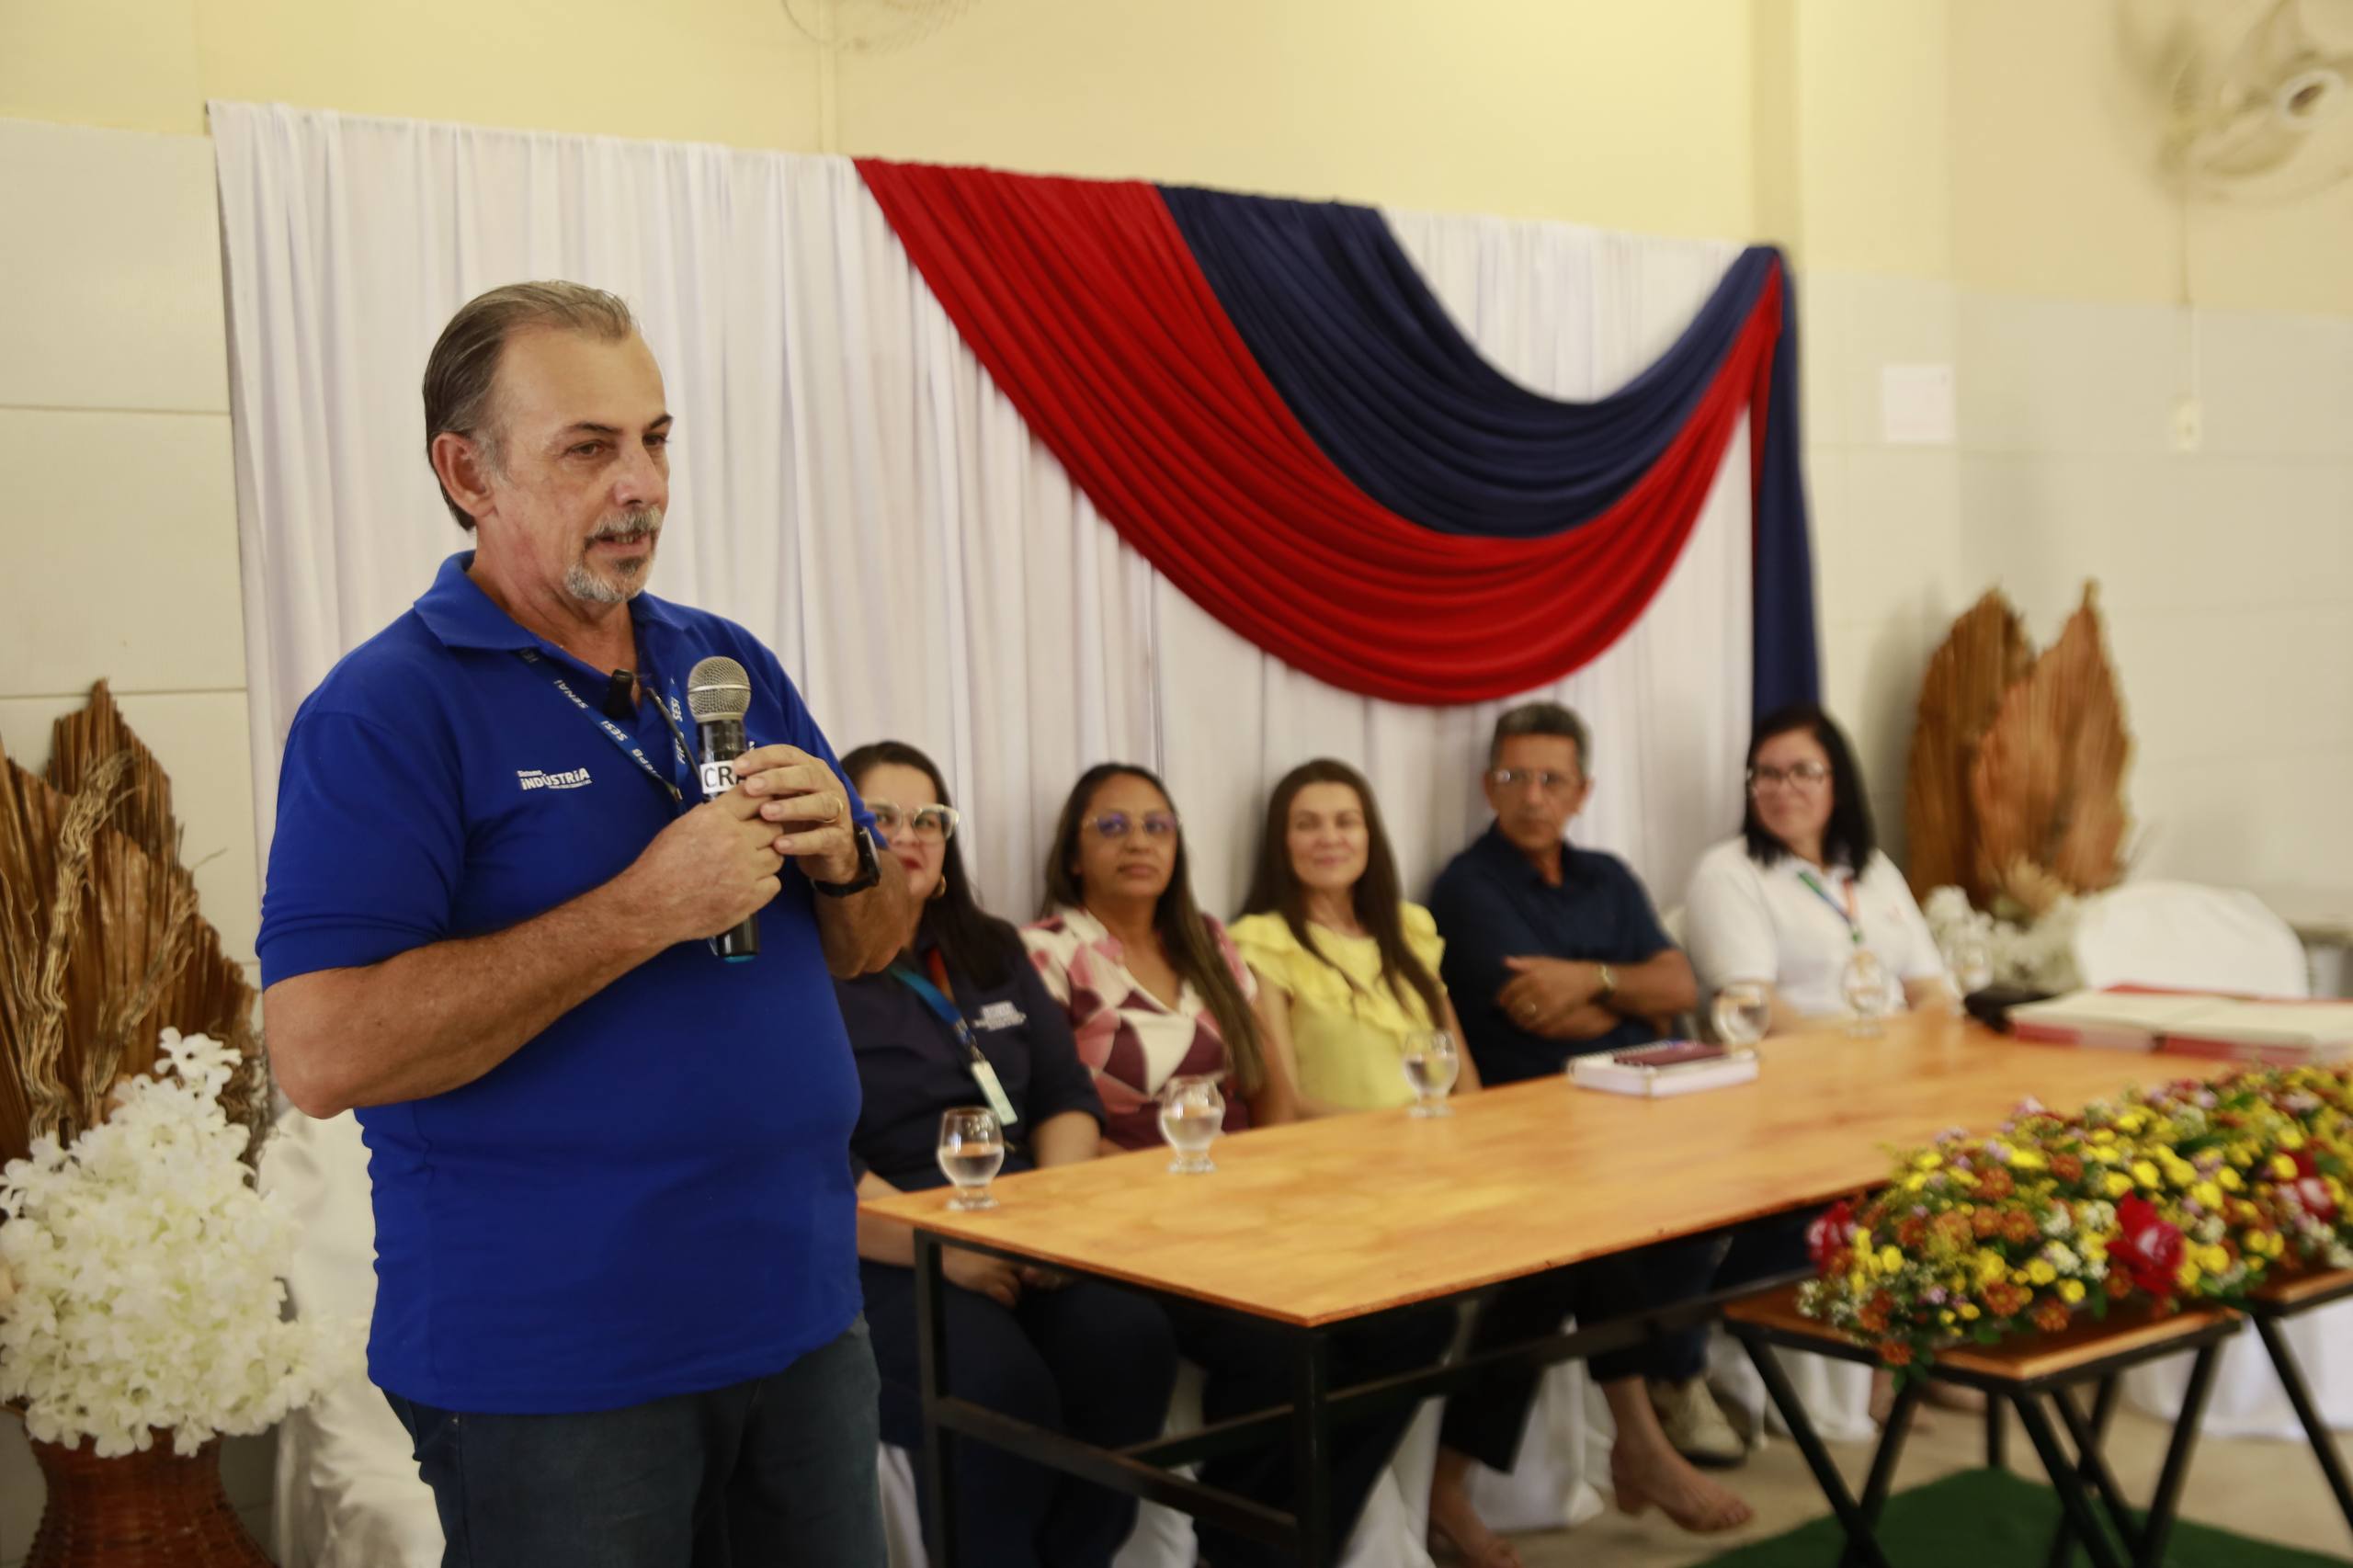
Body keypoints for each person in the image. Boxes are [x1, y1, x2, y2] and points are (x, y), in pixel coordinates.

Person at [258, 281, 907, 1568]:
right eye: (589, 448)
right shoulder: (383, 711)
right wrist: (640, 909)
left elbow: (870, 944)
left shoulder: (723, 661)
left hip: (800, 1319)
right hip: (558, 1371)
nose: (642, 486)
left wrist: (847, 855)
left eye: (655, 439)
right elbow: (322, 1052)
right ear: (468, 472)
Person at [1025, 763, 1444, 1568]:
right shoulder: (1046, 952)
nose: (1139, 842)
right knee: (1270, 1345)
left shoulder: (1210, 941)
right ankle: (1247, 1547)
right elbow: (1054, 1109)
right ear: (1074, 855)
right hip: (1133, 1210)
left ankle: (1294, 1538)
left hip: (1246, 1197)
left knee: (1414, 1318)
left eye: (1156, 825)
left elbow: (1270, 1093)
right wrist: (1161, 1188)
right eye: (1112, 826)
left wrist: (1275, 1194)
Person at [1422, 704, 1758, 1566]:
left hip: (1638, 1118)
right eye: (1514, 777)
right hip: (1527, 1128)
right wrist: (1625, 996)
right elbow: (1539, 1012)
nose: (1532, 797)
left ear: (1583, 791)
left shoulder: (1607, 875)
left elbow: (1678, 985)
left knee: (1731, 1195)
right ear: (1488, 785)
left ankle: (1667, 1394)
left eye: (1551, 780)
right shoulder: (1469, 885)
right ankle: (1640, 1437)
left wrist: (1593, 981)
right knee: (1572, 1248)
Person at [837, 742, 1177, 1568]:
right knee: (998, 1390)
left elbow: (1065, 1097)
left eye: (928, 819)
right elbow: (815, 1163)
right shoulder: (804, 968)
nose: (908, 835)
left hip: (1021, 1218)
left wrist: (1044, 1224)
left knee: (1130, 1341)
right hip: (887, 1241)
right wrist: (945, 1249)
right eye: (882, 818)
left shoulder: (989, 948)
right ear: (842, 836)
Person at [1682, 702, 1954, 1034]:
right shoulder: (1727, 872)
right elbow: (1753, 1008)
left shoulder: (1874, 867)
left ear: (1838, 785)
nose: (1783, 789)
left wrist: (1925, 1042)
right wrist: (1857, 1055)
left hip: (1899, 1048)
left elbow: (1928, 987)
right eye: (1767, 774)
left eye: (1803, 771)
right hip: (1805, 1056)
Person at [1230, 758, 1483, 1114]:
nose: (1329, 839)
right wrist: (1401, 1132)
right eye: (1307, 825)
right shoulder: (1263, 942)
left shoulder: (1409, 927)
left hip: (1437, 1137)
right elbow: (1283, 1106)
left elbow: (1462, 1075)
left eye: (1346, 822)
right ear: (1281, 843)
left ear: (1370, 836)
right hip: (1339, 1144)